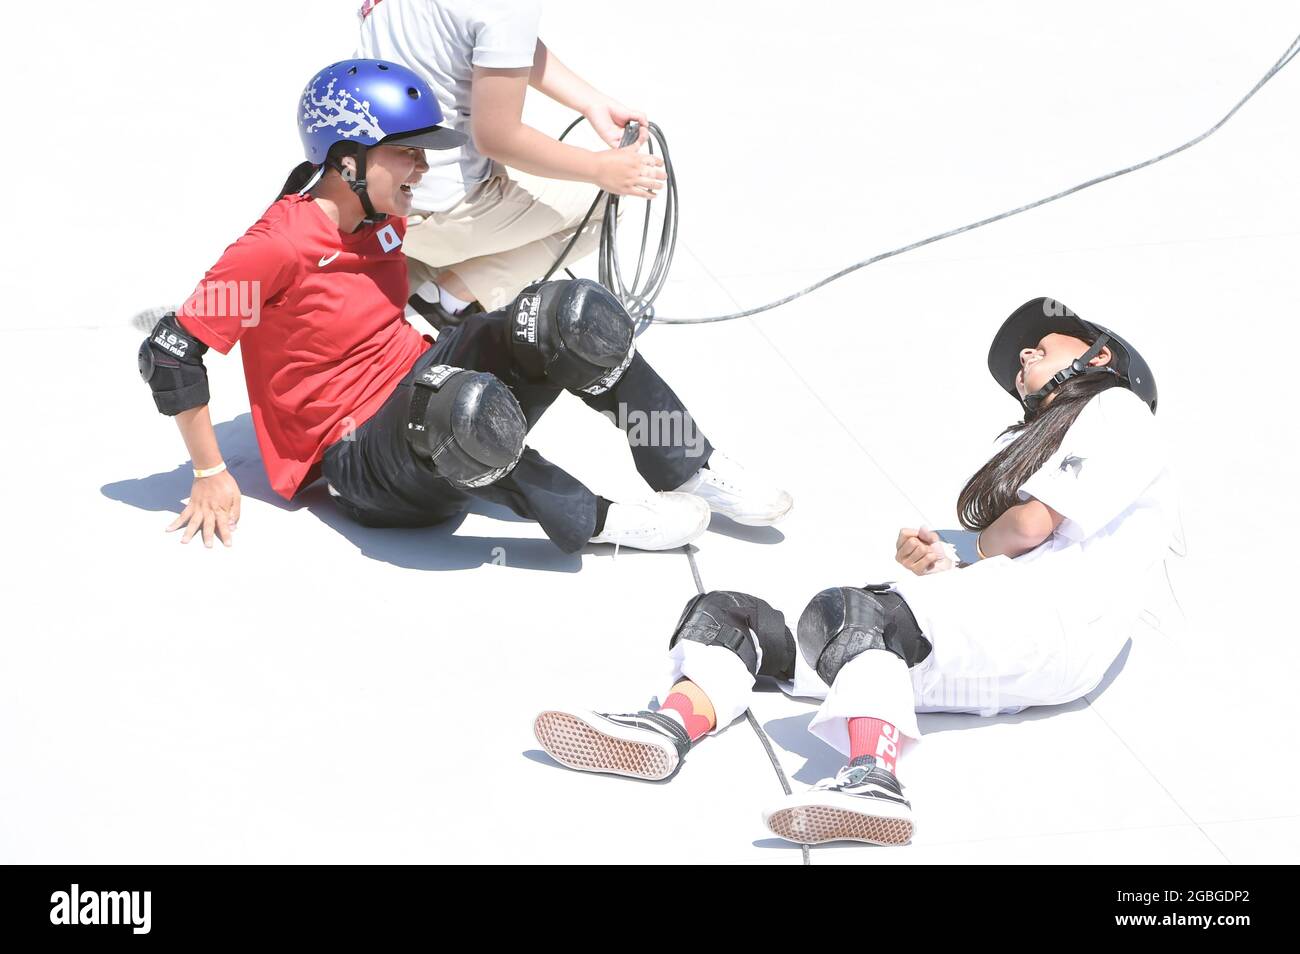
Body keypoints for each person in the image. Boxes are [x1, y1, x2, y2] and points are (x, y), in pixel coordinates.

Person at [533, 298, 1177, 846]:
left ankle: (876, 781)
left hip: (1050, 632)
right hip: (1014, 640)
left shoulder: (1118, 409)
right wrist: (946, 562)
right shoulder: (1080, 446)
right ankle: (666, 729)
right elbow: (1027, 546)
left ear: (1098, 359)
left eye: (1042, 344)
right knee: (735, 616)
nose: (1023, 358)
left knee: (851, 613)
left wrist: (971, 552)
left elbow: (1030, 528)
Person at [137, 59, 791, 552]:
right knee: (461, 409)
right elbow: (170, 352)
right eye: (406, 154)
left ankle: (688, 464)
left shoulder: (383, 216)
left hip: (418, 376)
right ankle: (602, 521)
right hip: (361, 458)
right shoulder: (274, 247)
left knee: (567, 317)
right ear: (346, 160)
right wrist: (209, 471)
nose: (421, 169)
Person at [355, 0, 666, 326]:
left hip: (369, 191)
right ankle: (445, 299)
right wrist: (599, 169)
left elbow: (497, 43)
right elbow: (498, 138)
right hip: (435, 208)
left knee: (553, 166)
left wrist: (591, 102)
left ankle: (409, 273)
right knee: (605, 204)